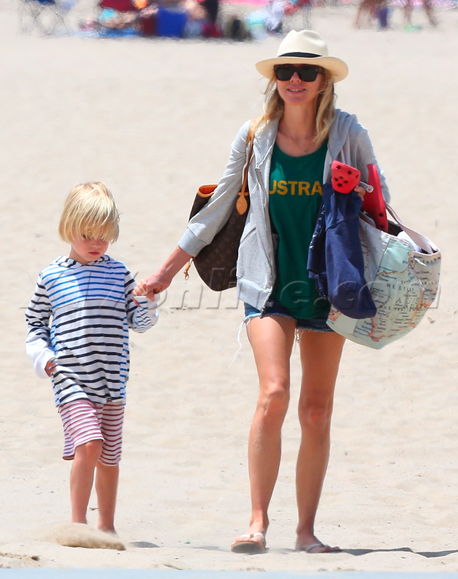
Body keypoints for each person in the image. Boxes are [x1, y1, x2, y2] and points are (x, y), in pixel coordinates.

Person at [136, 29, 390, 553]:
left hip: (329, 285)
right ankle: (256, 522)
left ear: (324, 81)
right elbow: (216, 209)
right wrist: (165, 272)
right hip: (267, 282)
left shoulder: (348, 132)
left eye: (307, 71)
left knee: (316, 410)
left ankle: (306, 532)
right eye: (285, 71)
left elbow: (379, 206)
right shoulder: (255, 135)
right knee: (273, 393)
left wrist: (366, 203)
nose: (295, 80)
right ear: (274, 79)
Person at [25, 182, 158, 534]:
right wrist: (44, 358)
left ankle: (107, 527)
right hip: (71, 378)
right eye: (87, 235)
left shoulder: (119, 274)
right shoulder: (51, 276)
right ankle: (77, 524)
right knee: (89, 444)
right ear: (68, 228)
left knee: (109, 456)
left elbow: (140, 323)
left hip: (112, 381)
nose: (96, 243)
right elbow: (35, 323)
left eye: (104, 235)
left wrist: (147, 300)